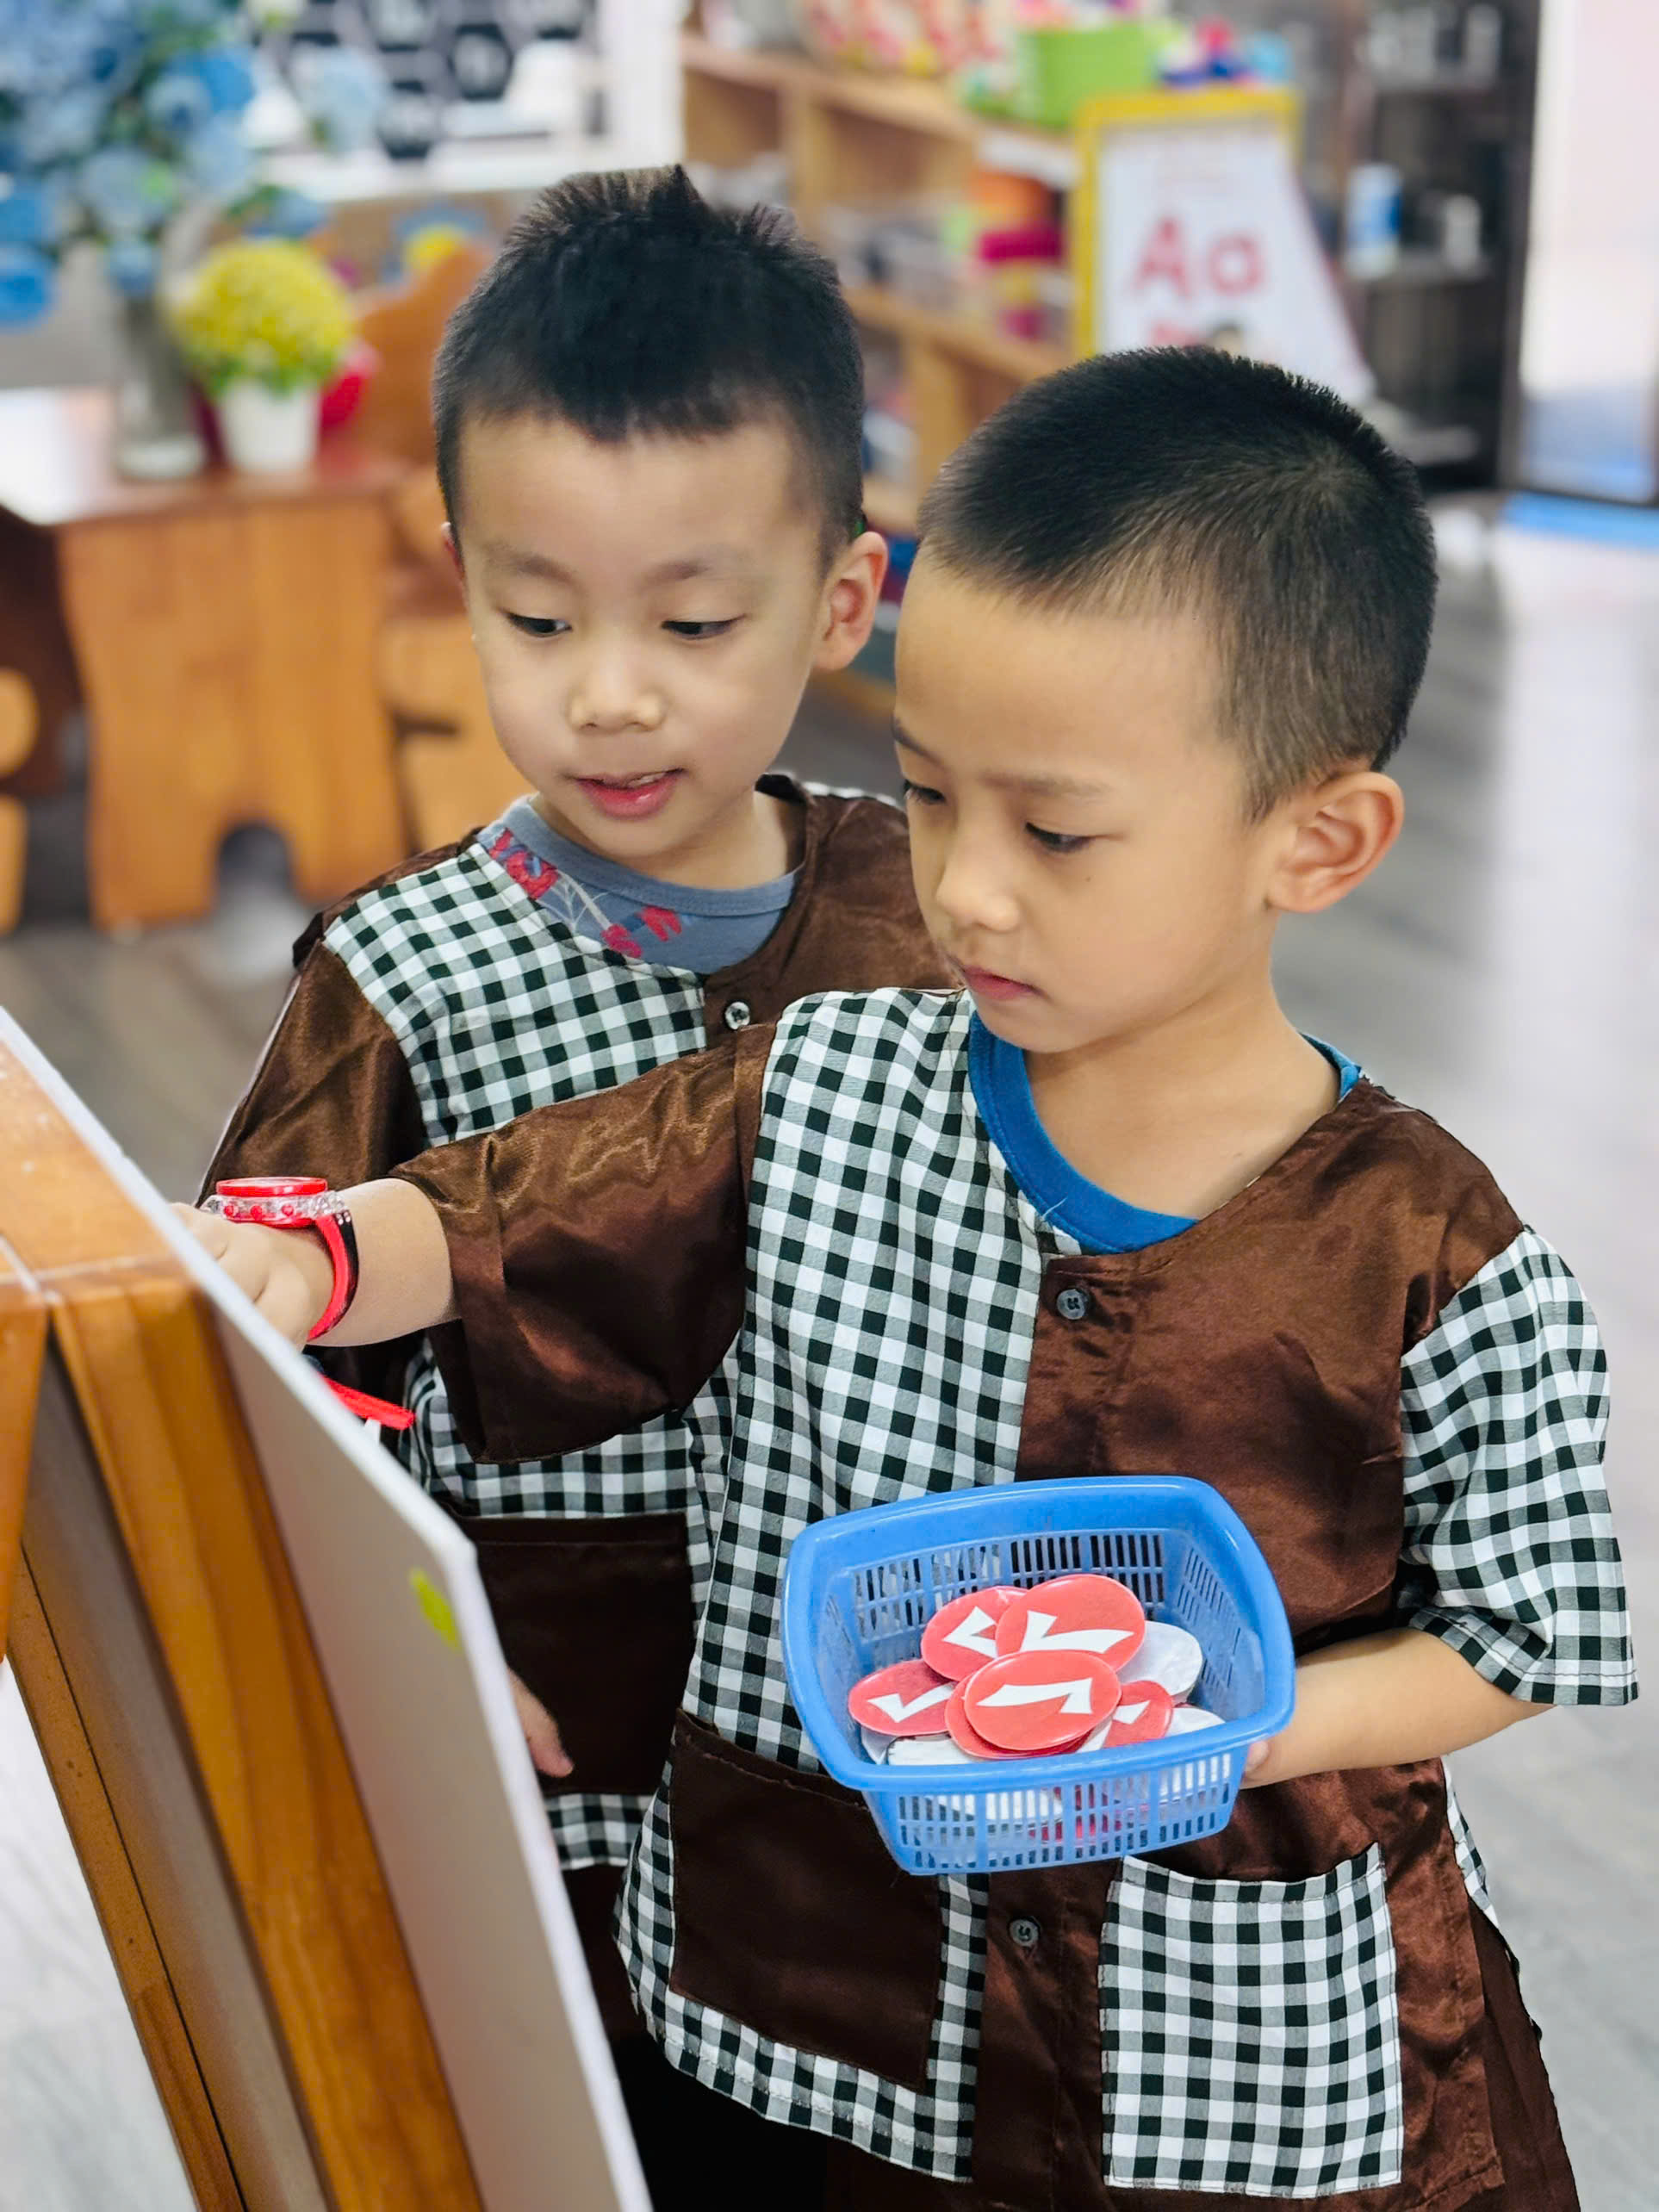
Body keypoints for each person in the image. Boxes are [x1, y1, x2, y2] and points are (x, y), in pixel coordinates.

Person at [185, 349, 1634, 2211]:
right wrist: (303, 1254)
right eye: (930, 797)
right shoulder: (818, 1085)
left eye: (1057, 832)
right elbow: (514, 1217)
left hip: (1232, 2050)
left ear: (1318, 839)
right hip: (842, 2012)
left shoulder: (1435, 1254)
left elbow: (1516, 1636)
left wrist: (1253, 1732)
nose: (968, 892)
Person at [201, 165, 950, 2056]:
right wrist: (412, 1659)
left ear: (842, 600)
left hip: (884, 1766)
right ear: (465, 580)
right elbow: (268, 1359)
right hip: (560, 1759)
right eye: (539, 621)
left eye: (693, 627)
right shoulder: (406, 973)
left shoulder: (942, 924)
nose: (610, 698)